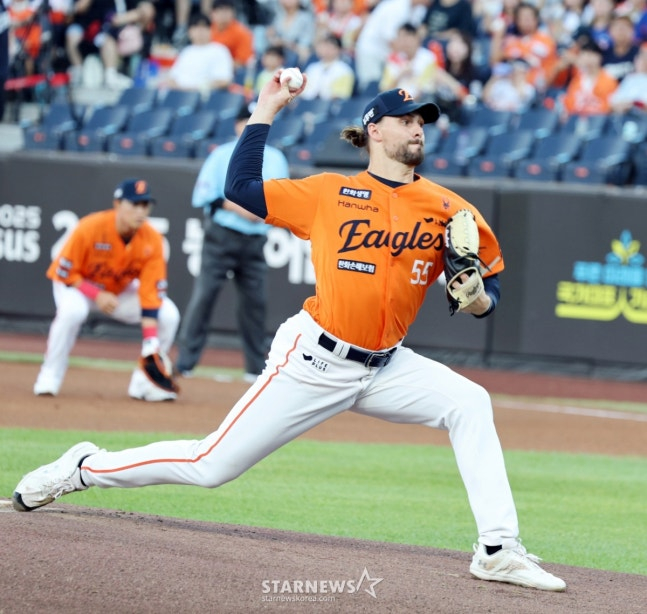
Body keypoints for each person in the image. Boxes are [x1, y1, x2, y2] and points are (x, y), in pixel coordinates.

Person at [12, 76, 566, 593]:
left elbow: (488, 288)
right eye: (406, 120)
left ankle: (497, 549)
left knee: (470, 402)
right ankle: (85, 467)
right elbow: (239, 188)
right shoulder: (328, 193)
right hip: (315, 360)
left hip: (388, 365)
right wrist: (266, 110)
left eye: (422, 120)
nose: (418, 127)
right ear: (375, 130)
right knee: (210, 466)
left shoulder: (449, 209)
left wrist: (478, 299)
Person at [32, 178, 181, 401]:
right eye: (134, 204)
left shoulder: (152, 239)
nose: (140, 211)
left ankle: (144, 384)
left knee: (168, 315)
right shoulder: (90, 227)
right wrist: (96, 294)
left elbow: (151, 293)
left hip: (117, 293)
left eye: (145, 205)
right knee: (72, 312)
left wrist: (150, 342)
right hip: (79, 288)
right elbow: (63, 273)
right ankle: (49, 375)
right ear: (117, 204)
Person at [174, 105, 289, 382]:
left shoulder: (276, 158)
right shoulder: (222, 154)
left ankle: (255, 368)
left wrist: (260, 210)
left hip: (255, 240)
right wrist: (242, 208)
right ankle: (185, 363)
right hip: (222, 235)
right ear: (238, 125)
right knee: (204, 297)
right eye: (246, 120)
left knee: (255, 304)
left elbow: (282, 197)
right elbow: (206, 197)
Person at [160, 12, 233, 93]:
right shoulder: (186, 52)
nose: (200, 31)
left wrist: (196, 89)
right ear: (189, 32)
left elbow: (224, 81)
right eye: (196, 28)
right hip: (180, 95)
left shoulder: (220, 50)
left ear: (210, 30)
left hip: (205, 96)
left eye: (203, 27)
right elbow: (172, 78)